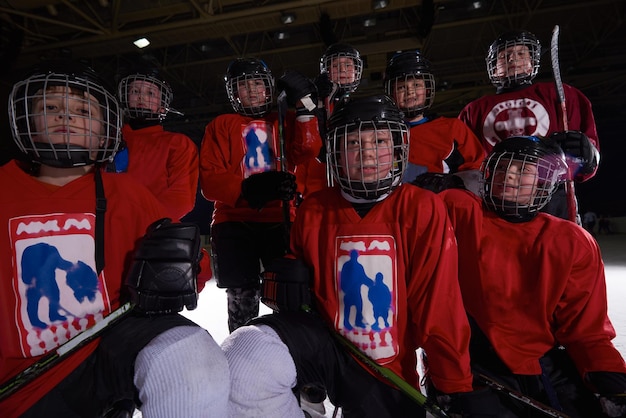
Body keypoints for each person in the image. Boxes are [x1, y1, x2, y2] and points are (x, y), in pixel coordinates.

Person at [221, 95, 498, 418]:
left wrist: (453, 383)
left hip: (388, 367)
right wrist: (287, 287)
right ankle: (308, 399)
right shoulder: (313, 209)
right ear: (336, 152)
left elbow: (439, 305)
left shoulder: (421, 206)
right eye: (353, 142)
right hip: (327, 349)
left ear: (397, 147)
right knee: (244, 354)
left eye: (379, 140)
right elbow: (302, 298)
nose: (366, 152)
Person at [0, 61, 229, 417]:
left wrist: (173, 273)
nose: (68, 117)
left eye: (82, 110)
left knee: (191, 359)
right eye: (50, 107)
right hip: (20, 380)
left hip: (112, 351)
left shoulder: (128, 194)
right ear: (27, 120)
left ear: (105, 127)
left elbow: (192, 265)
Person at [438, 135, 626, 417]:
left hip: (543, 363)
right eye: (503, 168)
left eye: (524, 170)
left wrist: (610, 377)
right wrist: (421, 194)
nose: (509, 176)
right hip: (474, 362)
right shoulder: (459, 210)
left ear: (545, 181)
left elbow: (586, 329)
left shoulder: (572, 240)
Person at [199, 57, 322, 332]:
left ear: (269, 88)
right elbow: (210, 182)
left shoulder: (285, 118)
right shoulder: (220, 125)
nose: (252, 90)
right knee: (241, 297)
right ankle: (242, 350)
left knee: (289, 292)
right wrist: (247, 189)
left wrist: (304, 107)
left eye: (257, 83)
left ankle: (292, 348)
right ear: (234, 92)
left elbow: (308, 150)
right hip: (233, 221)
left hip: (279, 218)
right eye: (244, 85)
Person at [458, 29, 600, 220]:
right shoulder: (473, 110)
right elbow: (466, 161)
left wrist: (586, 157)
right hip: (497, 196)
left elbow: (585, 154)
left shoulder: (562, 95)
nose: (512, 59)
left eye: (520, 53)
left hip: (551, 195)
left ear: (532, 61)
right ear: (493, 67)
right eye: (505, 55)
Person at [384, 50, 485, 194]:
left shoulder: (453, 128)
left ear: (427, 90)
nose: (410, 92)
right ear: (391, 93)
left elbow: (476, 172)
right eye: (401, 87)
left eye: (417, 85)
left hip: (441, 206)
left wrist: (450, 184)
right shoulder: (382, 134)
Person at [115, 67, 199, 220]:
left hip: (154, 230)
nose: (141, 97)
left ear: (162, 105)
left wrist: (142, 222)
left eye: (150, 93)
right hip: (109, 227)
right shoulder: (109, 141)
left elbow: (181, 198)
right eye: (135, 91)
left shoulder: (178, 144)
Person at [295, 43, 365, 200]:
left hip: (353, 185)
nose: (342, 69)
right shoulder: (312, 103)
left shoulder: (364, 107)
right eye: (335, 65)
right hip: (318, 185)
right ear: (325, 71)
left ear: (356, 71)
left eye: (348, 64)